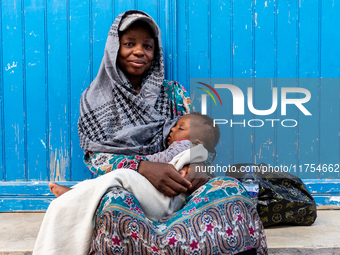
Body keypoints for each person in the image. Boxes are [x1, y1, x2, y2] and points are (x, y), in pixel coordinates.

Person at [35, 10, 267, 255]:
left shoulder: (174, 93)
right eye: (129, 44)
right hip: (128, 188)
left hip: (178, 188)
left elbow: (200, 136)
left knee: (230, 190)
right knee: (114, 204)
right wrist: (143, 168)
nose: (139, 51)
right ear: (114, 48)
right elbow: (96, 158)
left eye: (147, 46)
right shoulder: (94, 98)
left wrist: (199, 165)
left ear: (155, 53)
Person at [48, 113, 220, 222]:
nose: (171, 130)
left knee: (121, 176)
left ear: (198, 142)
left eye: (180, 128)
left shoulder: (185, 145)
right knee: (117, 182)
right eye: (173, 126)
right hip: (170, 198)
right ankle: (78, 193)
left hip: (167, 197)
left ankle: (77, 193)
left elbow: (161, 159)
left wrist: (140, 162)